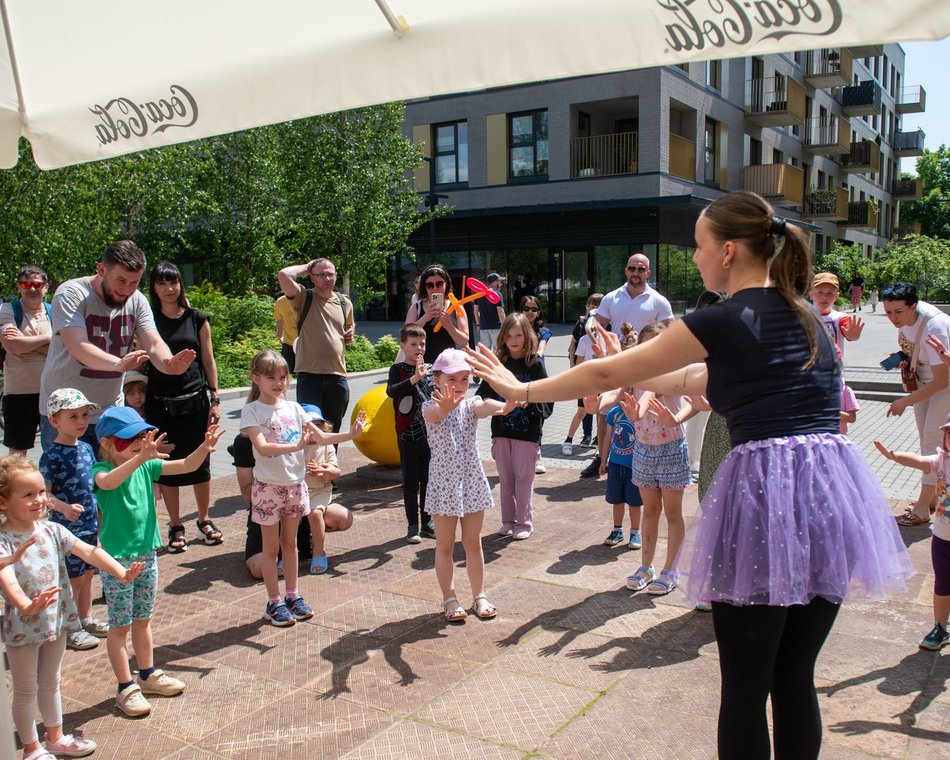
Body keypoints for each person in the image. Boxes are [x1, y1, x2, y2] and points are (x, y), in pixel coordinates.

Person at [468, 190, 913, 760]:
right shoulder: (807, 318)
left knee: (746, 687)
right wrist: (633, 368)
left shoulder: (722, 318)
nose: (696, 257)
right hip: (827, 498)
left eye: (700, 246)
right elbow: (696, 379)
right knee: (794, 678)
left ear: (728, 251)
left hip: (768, 498)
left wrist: (522, 387)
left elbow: (602, 374)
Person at [0, 456, 143, 760]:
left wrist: (120, 571)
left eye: (41, 491)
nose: (39, 499)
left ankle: (55, 738)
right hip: (24, 626)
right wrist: (27, 605)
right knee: (25, 689)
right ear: (3, 503)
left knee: (51, 682)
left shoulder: (52, 530)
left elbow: (88, 550)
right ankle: (31, 749)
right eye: (28, 494)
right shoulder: (4, 541)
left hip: (57, 620)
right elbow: (6, 577)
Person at [92, 406, 223, 717]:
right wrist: (141, 458)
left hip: (147, 554)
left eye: (141, 436)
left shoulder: (146, 466)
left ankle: (148, 674)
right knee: (120, 626)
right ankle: (125, 687)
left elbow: (186, 466)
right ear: (107, 443)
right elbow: (107, 483)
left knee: (142, 619)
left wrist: (204, 447)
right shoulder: (100, 469)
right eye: (130, 439)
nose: (140, 442)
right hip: (117, 561)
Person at [239, 349, 362, 626]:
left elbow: (322, 437)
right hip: (268, 488)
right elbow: (262, 447)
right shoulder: (252, 411)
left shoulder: (294, 408)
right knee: (271, 548)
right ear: (256, 378)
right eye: (271, 377)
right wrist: (295, 446)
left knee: (290, 543)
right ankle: (274, 601)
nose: (279, 383)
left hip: (295, 486)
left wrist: (351, 434)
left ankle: (293, 595)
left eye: (283, 377)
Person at [38, 241, 196, 453]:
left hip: (110, 414)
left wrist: (168, 364)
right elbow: (77, 346)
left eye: (134, 282)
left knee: (115, 475)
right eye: (121, 280)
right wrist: (118, 364)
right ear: (101, 270)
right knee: (68, 475)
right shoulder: (71, 293)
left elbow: (153, 342)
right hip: (66, 414)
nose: (127, 290)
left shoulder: (137, 300)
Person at [423, 348, 516, 621]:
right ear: (437, 379)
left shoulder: (470, 403)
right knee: (444, 544)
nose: (459, 384)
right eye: (452, 379)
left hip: (471, 480)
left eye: (464, 378)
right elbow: (436, 414)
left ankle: (479, 596)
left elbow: (484, 406)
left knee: (473, 542)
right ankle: (450, 599)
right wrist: (445, 406)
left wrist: (505, 406)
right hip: (444, 484)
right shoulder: (429, 406)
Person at [144, 261, 222, 553]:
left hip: (195, 401)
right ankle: (176, 524)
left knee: (202, 461)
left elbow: (208, 361)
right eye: (162, 283)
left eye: (173, 282)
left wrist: (215, 397)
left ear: (181, 285)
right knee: (166, 465)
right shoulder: (148, 322)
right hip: (160, 404)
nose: (169, 289)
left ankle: (204, 519)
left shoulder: (197, 319)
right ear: (154, 288)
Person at [622, 323, 693, 595]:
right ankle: (646, 567)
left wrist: (640, 412)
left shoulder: (674, 372)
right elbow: (620, 395)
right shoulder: (635, 373)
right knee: (650, 510)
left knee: (673, 513)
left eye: (660, 343)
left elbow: (657, 393)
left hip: (672, 448)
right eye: (649, 344)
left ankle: (671, 570)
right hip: (643, 449)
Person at [229, 431, 353, 579]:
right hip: (267, 506)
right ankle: (284, 549)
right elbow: (246, 494)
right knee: (260, 569)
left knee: (341, 517)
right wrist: (271, 485)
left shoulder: (288, 432)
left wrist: (325, 470)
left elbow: (322, 436)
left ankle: (307, 544)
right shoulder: (244, 441)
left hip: (300, 499)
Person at [39, 388, 108, 652]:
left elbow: (93, 486)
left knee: (88, 573)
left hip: (89, 524)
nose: (81, 421)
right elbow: (44, 494)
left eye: (84, 415)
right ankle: (69, 627)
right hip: (68, 528)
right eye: (73, 417)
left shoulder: (87, 447)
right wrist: (64, 508)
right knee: (73, 578)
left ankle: (85, 618)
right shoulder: (52, 455)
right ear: (54, 421)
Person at [874, 420, 950, 650]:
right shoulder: (942, 460)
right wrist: (894, 456)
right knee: (943, 583)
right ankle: (940, 627)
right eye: (949, 433)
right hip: (942, 537)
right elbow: (919, 460)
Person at [882, 283, 950, 527]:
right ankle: (930, 498)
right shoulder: (907, 320)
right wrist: (905, 358)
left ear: (914, 307)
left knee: (932, 440)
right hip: (924, 383)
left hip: (944, 386)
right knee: (926, 439)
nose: (893, 318)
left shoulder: (935, 326)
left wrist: (904, 401)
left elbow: (942, 380)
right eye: (888, 312)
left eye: (898, 312)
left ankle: (923, 508)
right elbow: (916, 350)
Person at [477, 314, 549, 540]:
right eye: (509, 336)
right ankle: (507, 521)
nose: (513, 340)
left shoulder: (535, 364)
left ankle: (524, 522)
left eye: (518, 335)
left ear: (527, 336)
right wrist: (495, 406)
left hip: (527, 434)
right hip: (501, 431)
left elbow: (548, 398)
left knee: (523, 479)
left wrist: (530, 401)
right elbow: (482, 394)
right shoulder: (498, 365)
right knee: (506, 479)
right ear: (503, 338)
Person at [277, 258, 355, 432]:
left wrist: (350, 332)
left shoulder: (344, 302)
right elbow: (284, 275)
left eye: (331, 274)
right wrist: (308, 267)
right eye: (321, 275)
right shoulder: (304, 297)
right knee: (312, 429)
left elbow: (350, 324)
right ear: (312, 277)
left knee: (333, 429)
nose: (327, 278)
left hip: (337, 375)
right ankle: (312, 454)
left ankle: (331, 452)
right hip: (310, 376)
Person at [386, 324, 435, 544]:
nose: (419, 348)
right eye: (413, 344)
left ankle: (427, 522)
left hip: (429, 435)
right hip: (407, 435)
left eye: (422, 344)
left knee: (428, 480)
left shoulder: (430, 370)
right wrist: (414, 378)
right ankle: (412, 525)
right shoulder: (397, 369)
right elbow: (391, 391)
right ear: (403, 346)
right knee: (410, 482)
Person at [595, 334, 643, 551]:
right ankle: (617, 530)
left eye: (630, 389)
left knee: (635, 502)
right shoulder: (614, 412)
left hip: (635, 465)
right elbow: (607, 437)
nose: (626, 393)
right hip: (615, 463)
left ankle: (635, 532)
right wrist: (603, 460)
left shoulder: (640, 411)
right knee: (616, 499)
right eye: (623, 389)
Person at [1, 266, 52, 457]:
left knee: (55, 451)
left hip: (51, 393)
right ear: (18, 287)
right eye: (26, 284)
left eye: (37, 284)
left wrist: (24, 342)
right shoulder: (7, 310)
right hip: (18, 393)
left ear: (45, 287)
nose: (31, 288)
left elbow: (63, 348)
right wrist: (49, 339)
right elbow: (12, 345)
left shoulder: (54, 312)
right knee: (17, 455)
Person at [300, 403, 356, 574]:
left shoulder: (325, 445)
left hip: (319, 490)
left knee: (315, 513)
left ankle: (318, 553)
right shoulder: (296, 445)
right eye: (310, 426)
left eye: (319, 426)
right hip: (298, 491)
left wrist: (326, 471)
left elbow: (336, 471)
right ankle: (285, 555)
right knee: (288, 517)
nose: (314, 430)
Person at [595, 253, 673, 338]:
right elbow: (597, 326)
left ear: (648, 273)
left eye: (641, 269)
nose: (636, 273)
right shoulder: (610, 298)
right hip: (618, 347)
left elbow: (669, 332)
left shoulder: (660, 301)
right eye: (631, 268)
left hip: (646, 347)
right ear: (626, 271)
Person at [404, 264, 469, 365]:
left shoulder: (456, 307)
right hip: (422, 366)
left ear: (446, 284)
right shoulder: (416, 308)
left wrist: (450, 327)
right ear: (424, 287)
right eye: (430, 285)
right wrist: (426, 317)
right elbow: (406, 334)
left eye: (439, 284)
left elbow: (464, 342)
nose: (435, 288)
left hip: (449, 366)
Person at [563, 294, 602, 453]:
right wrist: (576, 376)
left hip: (602, 381)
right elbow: (579, 360)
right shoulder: (584, 339)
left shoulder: (608, 338)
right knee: (582, 410)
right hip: (586, 381)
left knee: (601, 413)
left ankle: (600, 444)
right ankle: (569, 439)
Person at [809, 272, 864, 357]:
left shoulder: (841, 318)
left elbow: (848, 331)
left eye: (830, 293)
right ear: (811, 294)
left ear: (836, 296)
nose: (824, 297)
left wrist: (852, 335)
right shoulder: (801, 316)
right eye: (819, 292)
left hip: (833, 364)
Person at [475, 273, 506, 350]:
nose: (501, 284)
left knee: (485, 352)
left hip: (483, 327)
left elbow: (475, 311)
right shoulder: (497, 294)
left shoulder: (479, 294)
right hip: (496, 327)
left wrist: (478, 324)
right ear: (495, 282)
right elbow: (501, 312)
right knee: (498, 351)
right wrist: (505, 326)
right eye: (500, 281)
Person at [273, 294, 298, 374]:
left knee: (306, 373)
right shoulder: (280, 302)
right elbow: (279, 319)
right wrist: (280, 335)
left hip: (306, 343)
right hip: (288, 342)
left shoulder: (307, 298)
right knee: (285, 371)